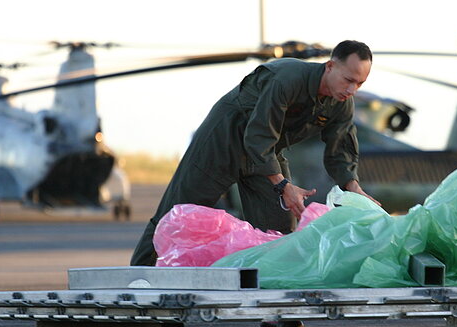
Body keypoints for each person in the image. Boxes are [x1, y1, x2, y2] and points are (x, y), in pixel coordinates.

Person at [130, 40, 378, 267]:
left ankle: (276, 311)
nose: (352, 89)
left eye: (360, 83)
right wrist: (283, 185)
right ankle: (136, 284)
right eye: (348, 79)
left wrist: (352, 186)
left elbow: (341, 149)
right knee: (173, 217)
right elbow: (258, 135)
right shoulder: (287, 79)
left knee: (279, 231)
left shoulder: (342, 103)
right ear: (330, 66)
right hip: (222, 143)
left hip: (266, 155)